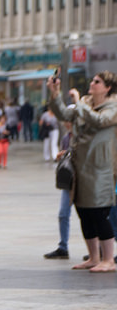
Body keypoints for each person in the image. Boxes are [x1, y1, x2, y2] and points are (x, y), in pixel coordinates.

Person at [46, 71, 117, 272]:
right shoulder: (85, 102)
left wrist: (80, 104)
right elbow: (64, 115)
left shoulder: (113, 106)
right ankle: (94, 257)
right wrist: (55, 93)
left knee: (99, 212)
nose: (92, 84)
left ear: (108, 87)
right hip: (80, 166)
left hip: (100, 167)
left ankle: (109, 260)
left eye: (97, 82)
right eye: (93, 80)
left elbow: (100, 121)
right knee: (83, 211)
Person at [44, 120, 74, 259]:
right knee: (63, 214)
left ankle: (98, 249)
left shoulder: (85, 136)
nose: (67, 123)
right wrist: (61, 157)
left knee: (91, 216)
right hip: (69, 181)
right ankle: (63, 247)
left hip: (84, 181)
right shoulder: (65, 138)